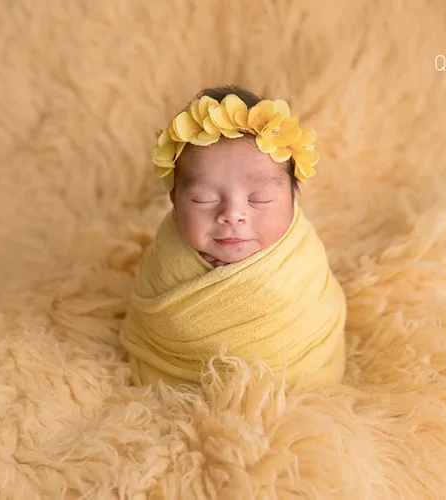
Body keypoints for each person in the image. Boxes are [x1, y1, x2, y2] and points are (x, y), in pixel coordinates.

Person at [119, 85, 347, 388]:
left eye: (260, 199)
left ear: (295, 194)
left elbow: (314, 311)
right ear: (174, 199)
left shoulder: (300, 260)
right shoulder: (167, 257)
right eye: (202, 199)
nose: (232, 214)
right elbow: (156, 323)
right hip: (175, 369)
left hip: (296, 372)